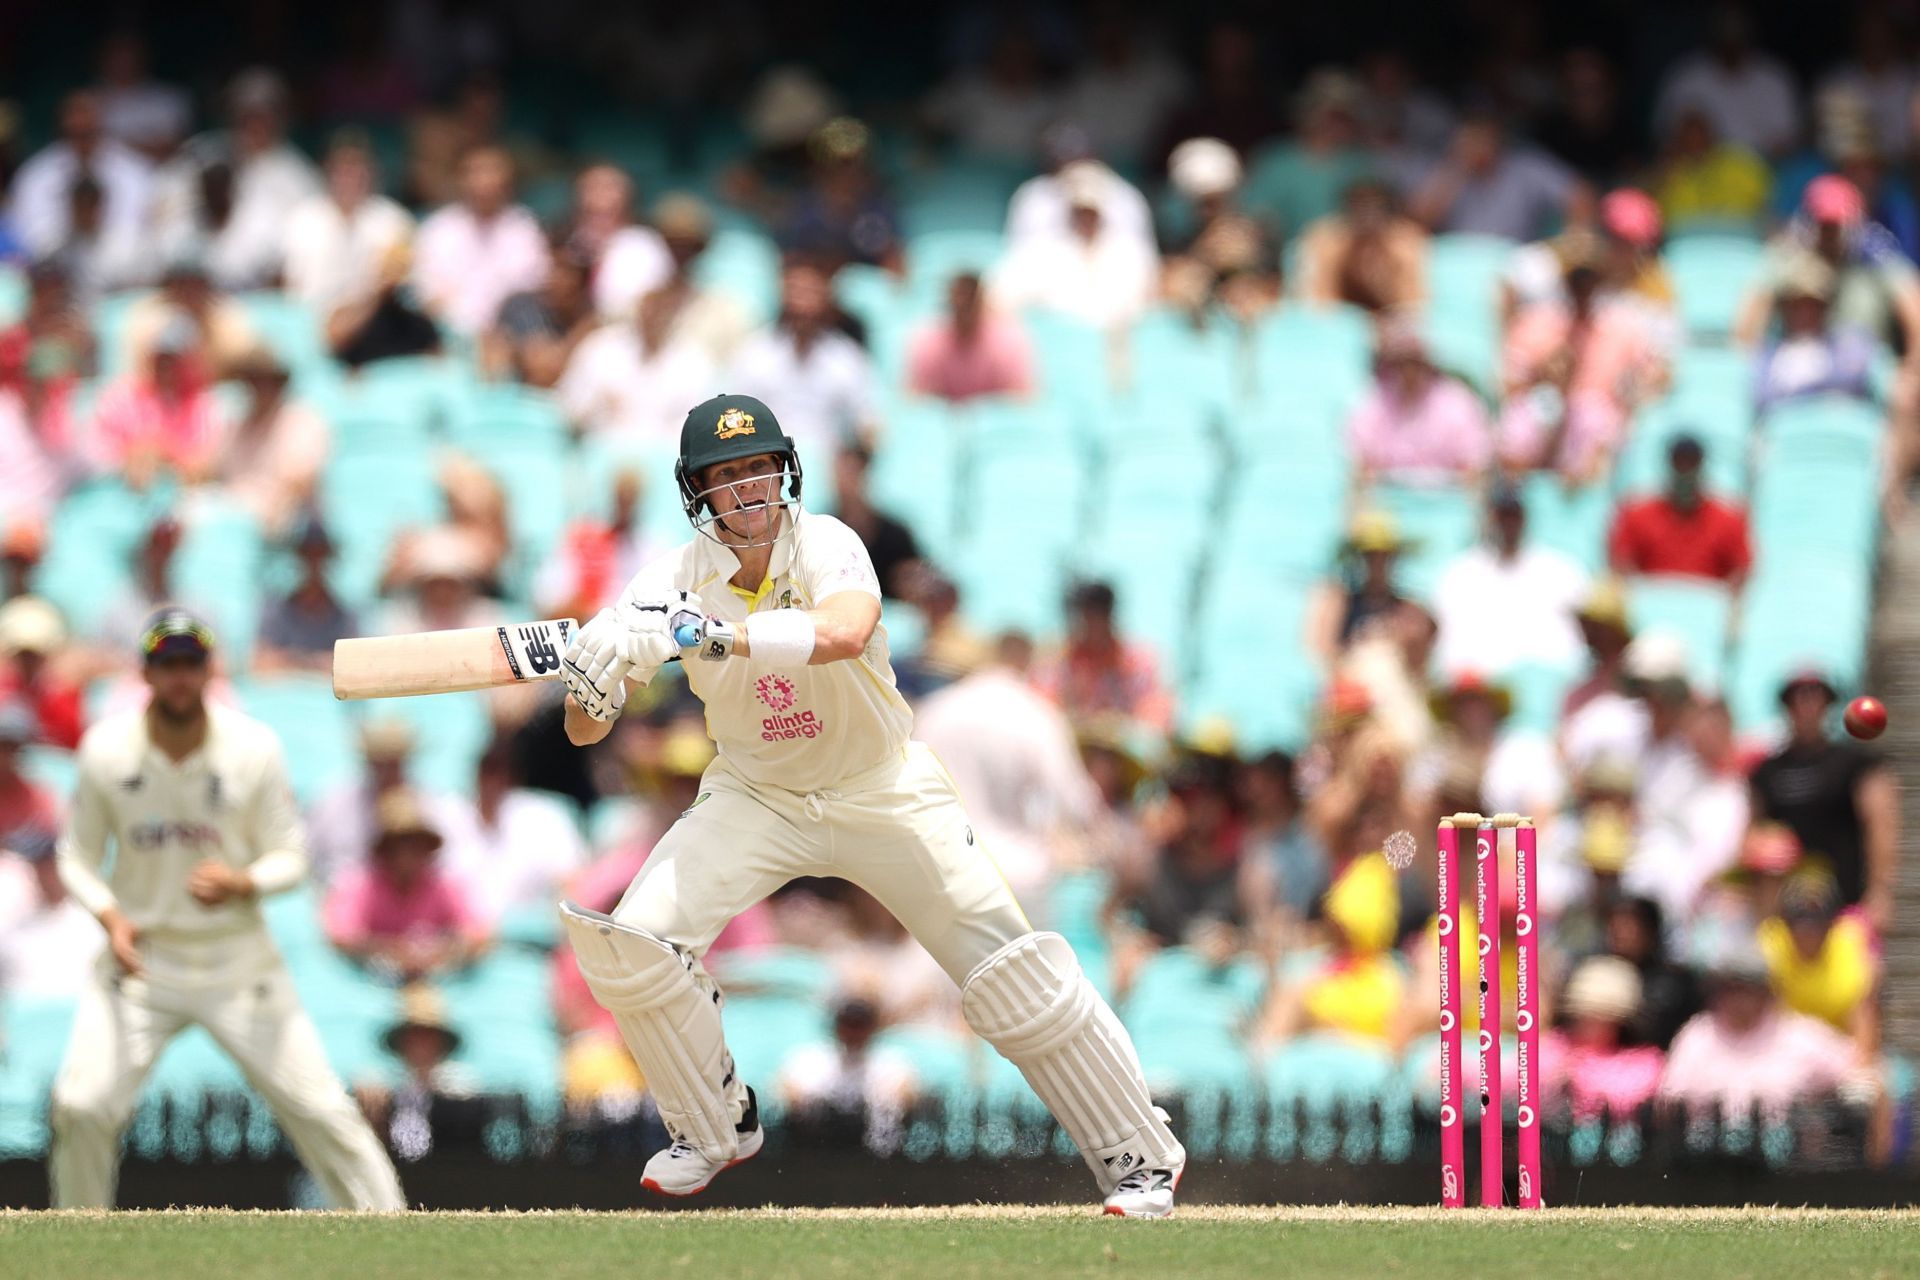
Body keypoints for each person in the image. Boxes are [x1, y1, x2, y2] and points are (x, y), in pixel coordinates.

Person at [553, 393, 1187, 1215]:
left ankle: (1140, 1157)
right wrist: (591, 683)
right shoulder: (666, 584)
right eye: (726, 476)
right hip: (757, 795)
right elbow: (580, 731)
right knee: (632, 942)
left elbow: (846, 630)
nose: (747, 491)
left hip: (881, 788)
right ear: (696, 492)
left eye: (758, 469)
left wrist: (715, 635)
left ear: (785, 472)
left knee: (1011, 971)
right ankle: (711, 1128)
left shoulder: (827, 542)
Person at [46, 608, 404, 1209]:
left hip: (235, 958)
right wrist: (110, 914)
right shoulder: (107, 750)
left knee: (319, 1106)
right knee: (81, 1105)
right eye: (167, 664)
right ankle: (77, 1245)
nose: (180, 677)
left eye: (191, 663)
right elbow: (75, 857)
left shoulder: (252, 747)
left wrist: (243, 881)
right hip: (141, 960)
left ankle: (398, 1236)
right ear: (146, 673)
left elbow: (291, 857)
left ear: (210, 671)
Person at [1499, 231, 1669, 482]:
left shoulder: (1621, 326)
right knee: (1527, 417)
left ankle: (1585, 499)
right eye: (1576, 281)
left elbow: (1653, 377)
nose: (1582, 289)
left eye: (1589, 281)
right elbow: (1511, 383)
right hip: (1548, 415)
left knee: (1593, 419)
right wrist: (1544, 377)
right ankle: (1518, 496)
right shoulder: (1538, 323)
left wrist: (1630, 392)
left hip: (1598, 425)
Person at [1749, 670, 1900, 929]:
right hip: (1787, 917)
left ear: (1827, 703)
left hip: (1846, 909)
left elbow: (1881, 825)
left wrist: (1880, 892)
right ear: (1787, 704)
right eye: (1798, 695)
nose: (1806, 702)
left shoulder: (1855, 763)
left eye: (1814, 694)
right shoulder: (1767, 771)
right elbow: (1755, 832)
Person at [322, 787, 492, 982]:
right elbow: (340, 934)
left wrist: (442, 951)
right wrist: (392, 950)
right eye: (401, 845)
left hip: (438, 980)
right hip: (374, 986)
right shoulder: (360, 885)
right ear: (386, 850)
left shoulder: (445, 885)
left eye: (416, 845)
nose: (409, 856)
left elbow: (481, 931)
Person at [724, 260, 878, 458]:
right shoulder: (754, 353)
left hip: (829, 467)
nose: (802, 304)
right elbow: (734, 416)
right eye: (795, 291)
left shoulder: (847, 358)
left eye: (811, 292)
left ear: (827, 298)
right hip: (767, 463)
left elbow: (866, 424)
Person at [1432, 482, 1588, 677]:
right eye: (1501, 515)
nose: (1508, 523)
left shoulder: (1561, 570)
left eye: (1514, 515)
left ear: (1525, 517)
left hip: (1548, 680)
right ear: (1489, 517)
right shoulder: (1459, 573)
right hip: (1482, 686)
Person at [991, 162, 1158, 331]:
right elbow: (1002, 294)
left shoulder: (1128, 253)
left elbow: (1142, 300)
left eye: (1091, 212)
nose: (1085, 219)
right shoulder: (1042, 252)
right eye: (1079, 211)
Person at [411, 144, 549, 336]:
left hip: (508, 334)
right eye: (475, 172)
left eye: (492, 171)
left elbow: (525, 291)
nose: (483, 181)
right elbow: (426, 294)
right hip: (447, 333)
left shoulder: (525, 228)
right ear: (460, 179)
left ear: (507, 179)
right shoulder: (437, 229)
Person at [8, 90, 153, 259]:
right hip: (55, 271)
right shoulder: (35, 175)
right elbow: (28, 236)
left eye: (89, 133)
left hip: (121, 269)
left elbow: (140, 232)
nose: (82, 142)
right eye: (74, 134)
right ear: (61, 131)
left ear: (103, 128)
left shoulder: (134, 171)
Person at [556, 285, 715, 440]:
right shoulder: (600, 346)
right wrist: (599, 403)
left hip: (660, 455)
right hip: (599, 446)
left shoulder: (693, 361)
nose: (655, 315)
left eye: (663, 308)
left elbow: (694, 425)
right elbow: (569, 406)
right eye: (650, 306)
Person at [282, 131, 416, 314]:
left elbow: (402, 285)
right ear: (327, 169)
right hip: (309, 318)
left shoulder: (394, 220)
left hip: (372, 321)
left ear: (373, 171)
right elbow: (289, 285)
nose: (349, 175)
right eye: (342, 168)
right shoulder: (301, 218)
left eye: (357, 167)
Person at [1345, 323, 1493, 488]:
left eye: (1415, 362)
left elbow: (1474, 469)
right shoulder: (1374, 400)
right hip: (1389, 504)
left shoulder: (1459, 403)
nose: (1409, 370)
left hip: (1446, 503)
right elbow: (1360, 464)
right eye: (1402, 362)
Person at [1242, 71, 1375, 244]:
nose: (1336, 125)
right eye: (1332, 115)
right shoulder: (1276, 160)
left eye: (1346, 116)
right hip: (1282, 261)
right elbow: (1252, 218)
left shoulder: (1360, 165)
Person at [1654, 5, 1800, 159]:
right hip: (1699, 171)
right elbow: (1664, 139)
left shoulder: (1774, 79)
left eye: (1737, 26)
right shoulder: (1686, 77)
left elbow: (1790, 143)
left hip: (1765, 172)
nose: (1731, 32)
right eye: (1725, 25)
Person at [776, 995, 918, 1155]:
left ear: (871, 1028)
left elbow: (906, 1093)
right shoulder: (811, 1057)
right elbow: (788, 1091)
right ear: (837, 1026)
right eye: (848, 1024)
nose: (853, 1032)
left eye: (860, 1025)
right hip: (820, 1141)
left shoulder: (890, 1060)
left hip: (870, 1142)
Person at [1607, 435, 1753, 586]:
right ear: (1669, 465)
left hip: (1707, 605)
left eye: (1691, 463)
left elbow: (1741, 569)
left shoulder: (1728, 519)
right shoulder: (1637, 515)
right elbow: (1620, 564)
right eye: (1679, 463)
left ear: (1701, 466)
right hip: (1649, 603)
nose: (1685, 470)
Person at [217, 346, 331, 537]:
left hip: (283, 518)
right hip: (234, 512)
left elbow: (304, 482)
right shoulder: (236, 424)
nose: (259, 388)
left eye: (266, 381)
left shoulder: (303, 421)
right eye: (253, 380)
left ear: (279, 384)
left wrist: (279, 507)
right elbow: (216, 473)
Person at [1410, 113, 1578, 242]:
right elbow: (1415, 224)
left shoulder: (1526, 167)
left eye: (1484, 138)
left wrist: (1568, 243)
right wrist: (1457, 168)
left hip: (1514, 263)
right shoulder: (1449, 172)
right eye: (1471, 138)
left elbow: (1580, 197)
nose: (1478, 145)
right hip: (1459, 264)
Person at [1036, 580, 1174, 735]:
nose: (1090, 622)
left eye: (1097, 613)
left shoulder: (1137, 661)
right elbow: (1041, 710)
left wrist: (1117, 725)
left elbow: (1156, 716)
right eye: (1085, 615)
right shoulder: (1061, 661)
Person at [1542, 954, 1665, 1122]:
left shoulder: (1643, 1061)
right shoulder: (1554, 1048)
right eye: (1583, 1013)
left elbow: (1630, 1099)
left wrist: (1578, 1077)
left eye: (1600, 1016)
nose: (1589, 1023)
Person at [1752, 252, 1878, 411]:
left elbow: (1853, 380)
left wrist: (1802, 391)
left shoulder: (1847, 343)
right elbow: (1763, 396)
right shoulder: (1770, 354)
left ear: (1826, 308)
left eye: (1814, 306)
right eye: (1797, 306)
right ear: (1785, 309)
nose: (1805, 314)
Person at [1293, 178, 1428, 314]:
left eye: (1375, 209)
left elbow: (1414, 302)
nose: (1368, 217)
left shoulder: (1406, 240)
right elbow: (1317, 302)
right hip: (1338, 323)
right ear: (1347, 211)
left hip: (1395, 323)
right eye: (1361, 208)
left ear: (1388, 213)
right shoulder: (1323, 239)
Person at [484, 242, 600, 388]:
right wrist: (577, 337)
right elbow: (542, 370)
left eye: (568, 272)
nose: (557, 278)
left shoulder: (588, 313)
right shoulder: (522, 306)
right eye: (555, 268)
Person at [905, 272, 1035, 402]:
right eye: (959, 301)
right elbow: (915, 399)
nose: (964, 307)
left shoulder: (1008, 342)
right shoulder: (929, 342)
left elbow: (1021, 401)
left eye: (969, 301)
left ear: (981, 303)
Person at [255, 518, 361, 675]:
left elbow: (352, 667)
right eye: (307, 554)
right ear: (298, 557)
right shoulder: (276, 611)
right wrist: (313, 663)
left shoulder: (345, 615)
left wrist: (293, 662)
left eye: (319, 554)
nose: (313, 562)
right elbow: (261, 664)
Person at [1652, 107, 1773, 234]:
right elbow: (1661, 217)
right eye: (1687, 136)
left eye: (1699, 134)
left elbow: (1765, 203)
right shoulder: (1669, 174)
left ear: (1712, 135)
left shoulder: (1740, 166)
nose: (1694, 141)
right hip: (1686, 241)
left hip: (1739, 239)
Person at [327, 240, 443, 369]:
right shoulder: (353, 310)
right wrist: (377, 295)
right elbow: (337, 341)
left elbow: (438, 355)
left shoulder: (415, 314)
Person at [826, 442, 920, 600]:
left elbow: (914, 581)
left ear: (865, 474)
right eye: (839, 472)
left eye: (851, 472)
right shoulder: (822, 532)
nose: (843, 481)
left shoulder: (896, 535)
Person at [0, 596, 83, 749]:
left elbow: (75, 745)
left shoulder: (62, 698)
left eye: (33, 655)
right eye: (22, 654)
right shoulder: (4, 695)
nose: (28, 662)